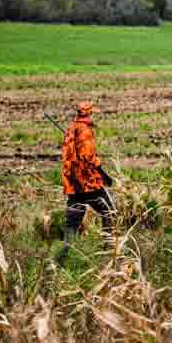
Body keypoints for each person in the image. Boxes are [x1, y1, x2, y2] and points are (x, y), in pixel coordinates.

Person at [59, 101, 115, 260]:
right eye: (92, 113)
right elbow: (88, 157)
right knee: (109, 211)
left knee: (72, 224)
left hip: (73, 184)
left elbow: (69, 155)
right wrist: (104, 175)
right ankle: (109, 251)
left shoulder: (72, 128)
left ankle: (62, 259)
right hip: (88, 183)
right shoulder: (85, 131)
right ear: (88, 114)